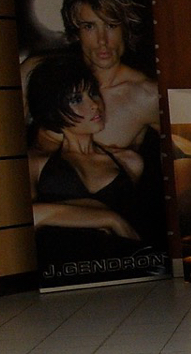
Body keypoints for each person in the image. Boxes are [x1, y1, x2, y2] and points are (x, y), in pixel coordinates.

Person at [24, 55, 144, 247]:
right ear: (53, 110)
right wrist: (109, 218)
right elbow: (28, 218)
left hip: (120, 262)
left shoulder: (130, 162)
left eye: (93, 93)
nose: (94, 104)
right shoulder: (35, 162)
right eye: (77, 99)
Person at [60, 0, 160, 151]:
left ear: (125, 29)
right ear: (76, 32)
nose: (102, 40)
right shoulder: (49, 78)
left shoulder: (146, 95)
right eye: (89, 26)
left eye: (111, 25)